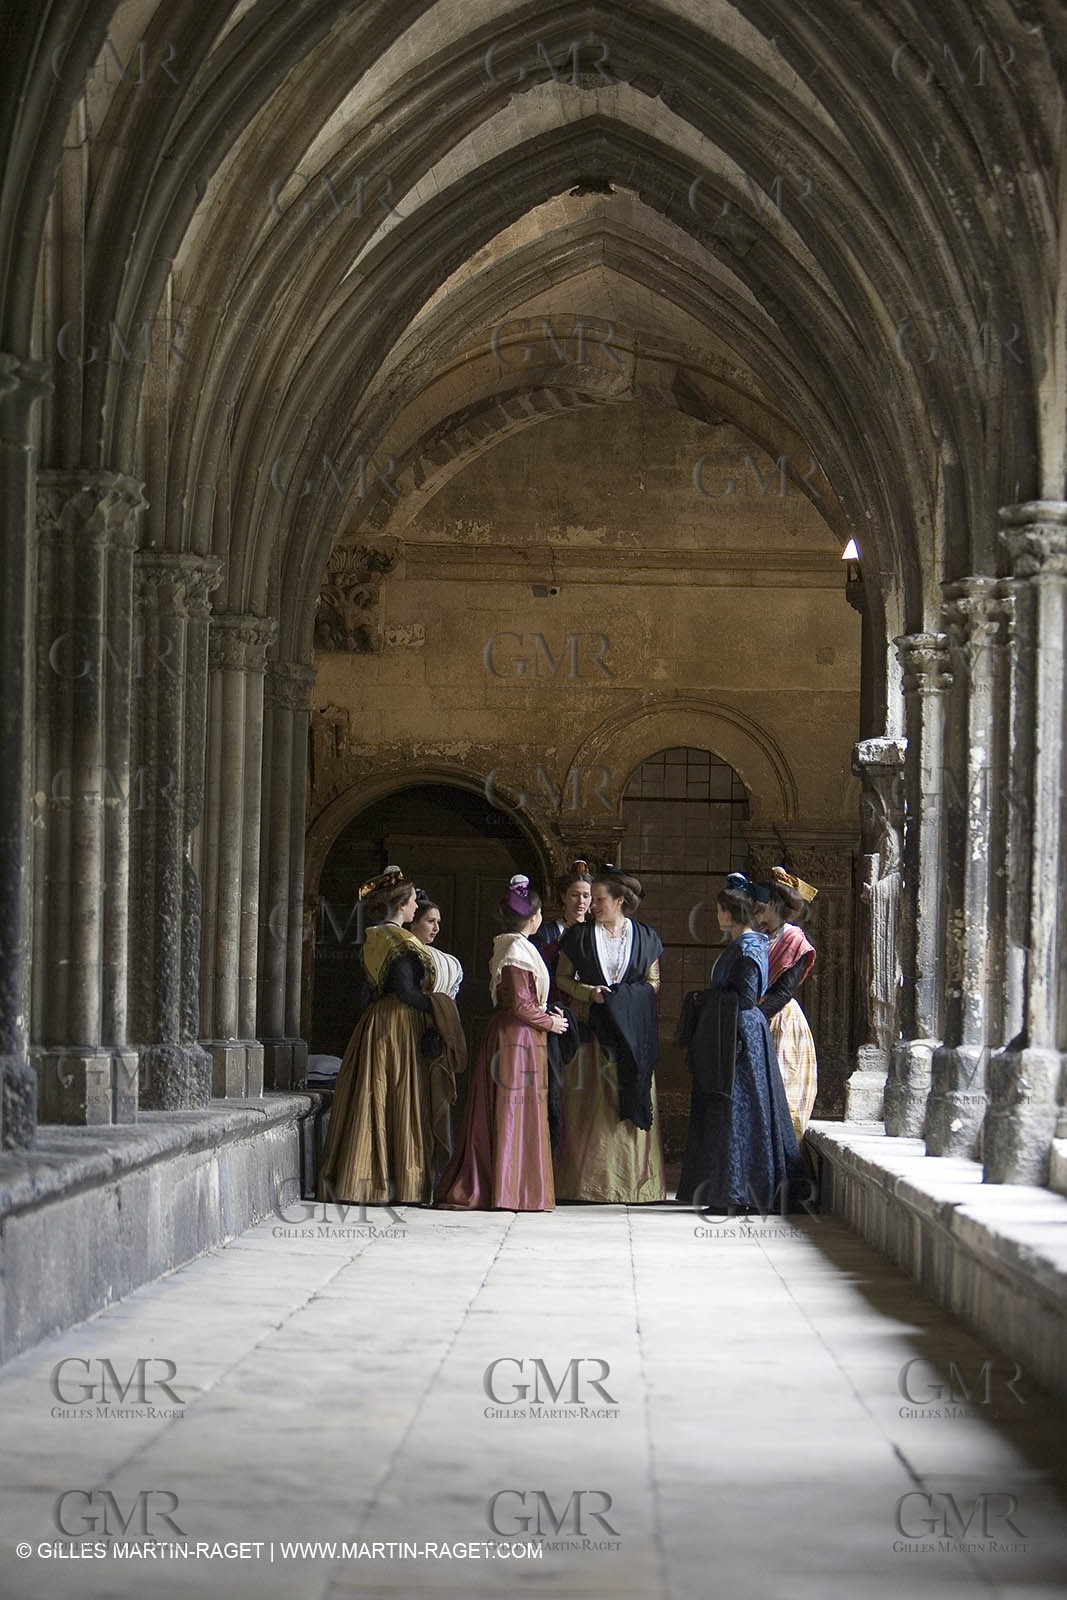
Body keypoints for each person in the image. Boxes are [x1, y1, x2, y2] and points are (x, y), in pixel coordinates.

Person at [318, 867, 463, 1206]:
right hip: (397, 1024)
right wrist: (438, 1006)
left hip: (380, 1021)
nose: (416, 906)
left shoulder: (377, 936)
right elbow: (405, 990)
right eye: (413, 901)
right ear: (402, 904)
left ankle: (367, 1176)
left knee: (378, 1095)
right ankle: (388, 1181)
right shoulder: (397, 940)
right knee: (397, 1095)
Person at [436, 875, 567, 1211]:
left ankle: (515, 1187)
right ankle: (507, 1189)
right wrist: (550, 1022)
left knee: (515, 1108)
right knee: (511, 1109)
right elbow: (521, 1005)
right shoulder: (515, 950)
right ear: (534, 917)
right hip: (516, 1037)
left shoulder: (515, 946)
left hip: (519, 1035)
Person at [675, 874, 805, 1212]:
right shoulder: (747, 944)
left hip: (740, 1033)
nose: (717, 915)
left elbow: (746, 997)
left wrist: (710, 1000)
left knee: (738, 1110)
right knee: (735, 1111)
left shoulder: (748, 947)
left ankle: (738, 1193)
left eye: (719, 910)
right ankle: (732, 1191)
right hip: (738, 1029)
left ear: (729, 913)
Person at [553, 867, 666, 1203]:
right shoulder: (578, 937)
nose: (592, 906)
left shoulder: (646, 938)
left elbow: (654, 983)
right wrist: (591, 993)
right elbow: (562, 979)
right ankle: (585, 1186)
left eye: (599, 899)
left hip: (633, 1038)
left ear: (620, 901)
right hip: (593, 1035)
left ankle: (631, 1184)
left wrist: (626, 999)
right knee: (591, 1110)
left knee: (626, 1104)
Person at [757, 867, 819, 1139]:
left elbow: (784, 992)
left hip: (780, 1020)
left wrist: (755, 1015)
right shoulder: (761, 935)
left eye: (763, 902)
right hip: (759, 1014)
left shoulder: (794, 940)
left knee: (783, 1090)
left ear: (773, 904)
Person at [411, 889, 464, 1001]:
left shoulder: (449, 962)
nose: (436, 928)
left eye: (438, 922)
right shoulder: (403, 953)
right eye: (430, 921)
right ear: (414, 923)